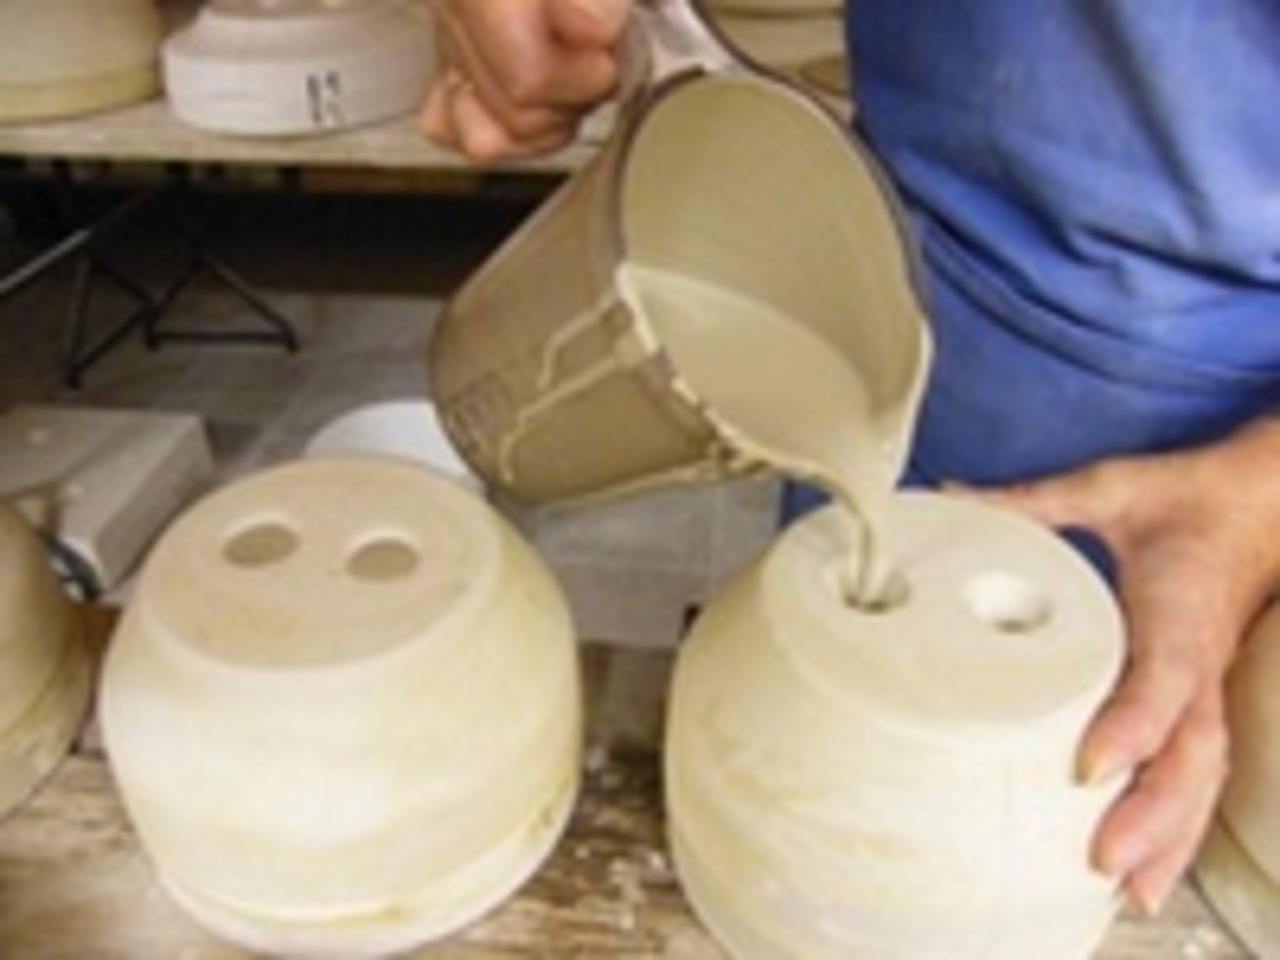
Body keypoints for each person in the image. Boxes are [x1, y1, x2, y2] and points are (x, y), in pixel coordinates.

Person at [421, 0, 1280, 918]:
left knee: (1002, 816)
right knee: (805, 702)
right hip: (871, 275)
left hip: (1210, 422)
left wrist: (1257, 507)